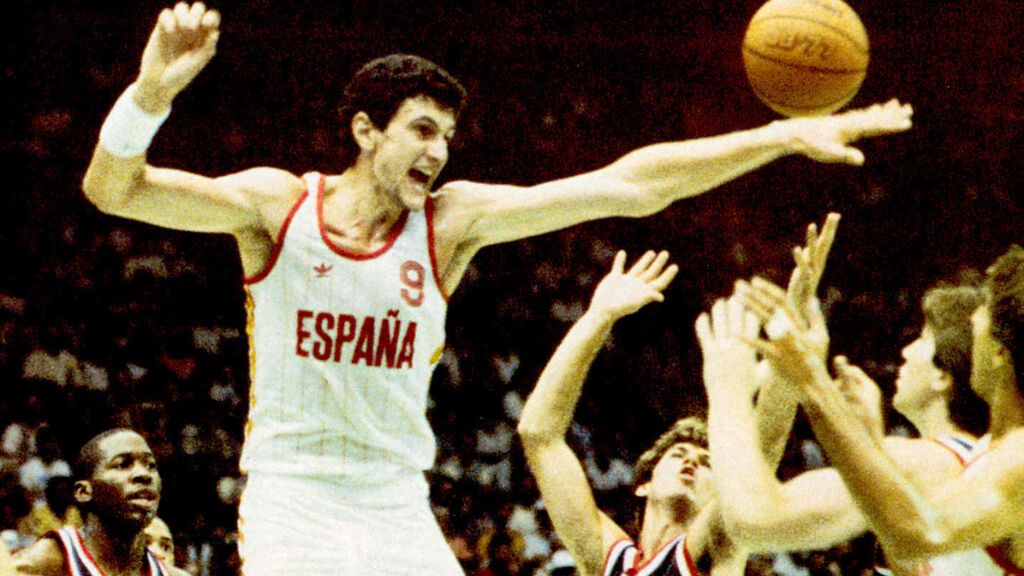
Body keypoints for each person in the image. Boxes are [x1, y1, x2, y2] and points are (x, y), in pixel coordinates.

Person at [80, 3, 912, 575]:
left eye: (448, 134)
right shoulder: (278, 205)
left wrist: (779, 135)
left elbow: (628, 185)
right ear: (366, 131)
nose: (440, 151)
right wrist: (151, 93)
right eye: (422, 129)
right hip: (295, 495)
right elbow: (114, 190)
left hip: (397, 500)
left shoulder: (450, 222)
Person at [750, 245, 1024, 574]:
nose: (906, 351)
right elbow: (917, 554)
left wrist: (733, 384)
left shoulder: (940, 459)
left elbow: (760, 513)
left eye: (922, 340)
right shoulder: (983, 453)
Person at [703, 280, 992, 575]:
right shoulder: (968, 464)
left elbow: (755, 519)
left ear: (943, 375)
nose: (906, 351)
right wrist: (871, 442)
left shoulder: (927, 461)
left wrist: (727, 385)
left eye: (922, 339)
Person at [518, 250, 747, 576]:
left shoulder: (718, 547)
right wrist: (598, 317)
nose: (692, 461)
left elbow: (767, 444)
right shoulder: (611, 560)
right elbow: (538, 434)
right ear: (643, 485)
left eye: (707, 462)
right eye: (679, 453)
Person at [11, 429, 172, 576]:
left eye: (150, 465)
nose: (144, 474)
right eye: (123, 464)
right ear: (84, 492)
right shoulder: (43, 562)